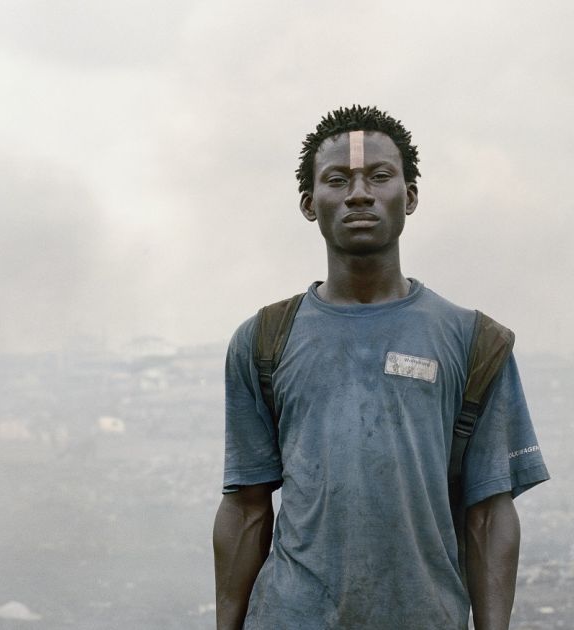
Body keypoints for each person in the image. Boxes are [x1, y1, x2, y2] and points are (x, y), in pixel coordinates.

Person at [212, 105, 549, 630]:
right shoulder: (263, 341)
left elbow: (489, 512)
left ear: (409, 197)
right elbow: (247, 505)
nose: (360, 193)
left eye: (380, 177)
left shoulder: (476, 342)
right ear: (309, 203)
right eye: (338, 179)